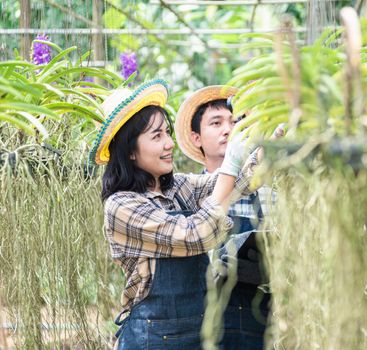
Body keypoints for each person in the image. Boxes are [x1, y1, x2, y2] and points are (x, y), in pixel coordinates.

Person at [89, 79, 259, 349]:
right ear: (130, 150)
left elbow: (234, 183)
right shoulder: (122, 206)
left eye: (167, 133)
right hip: (151, 340)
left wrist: (264, 145)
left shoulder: (178, 187)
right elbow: (195, 235)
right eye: (157, 136)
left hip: (197, 335)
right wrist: (231, 162)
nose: (169, 144)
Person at [175, 85, 277, 349]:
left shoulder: (268, 194)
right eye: (216, 122)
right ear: (196, 137)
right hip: (200, 325)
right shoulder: (187, 196)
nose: (228, 130)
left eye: (234, 122)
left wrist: (269, 274)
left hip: (261, 325)